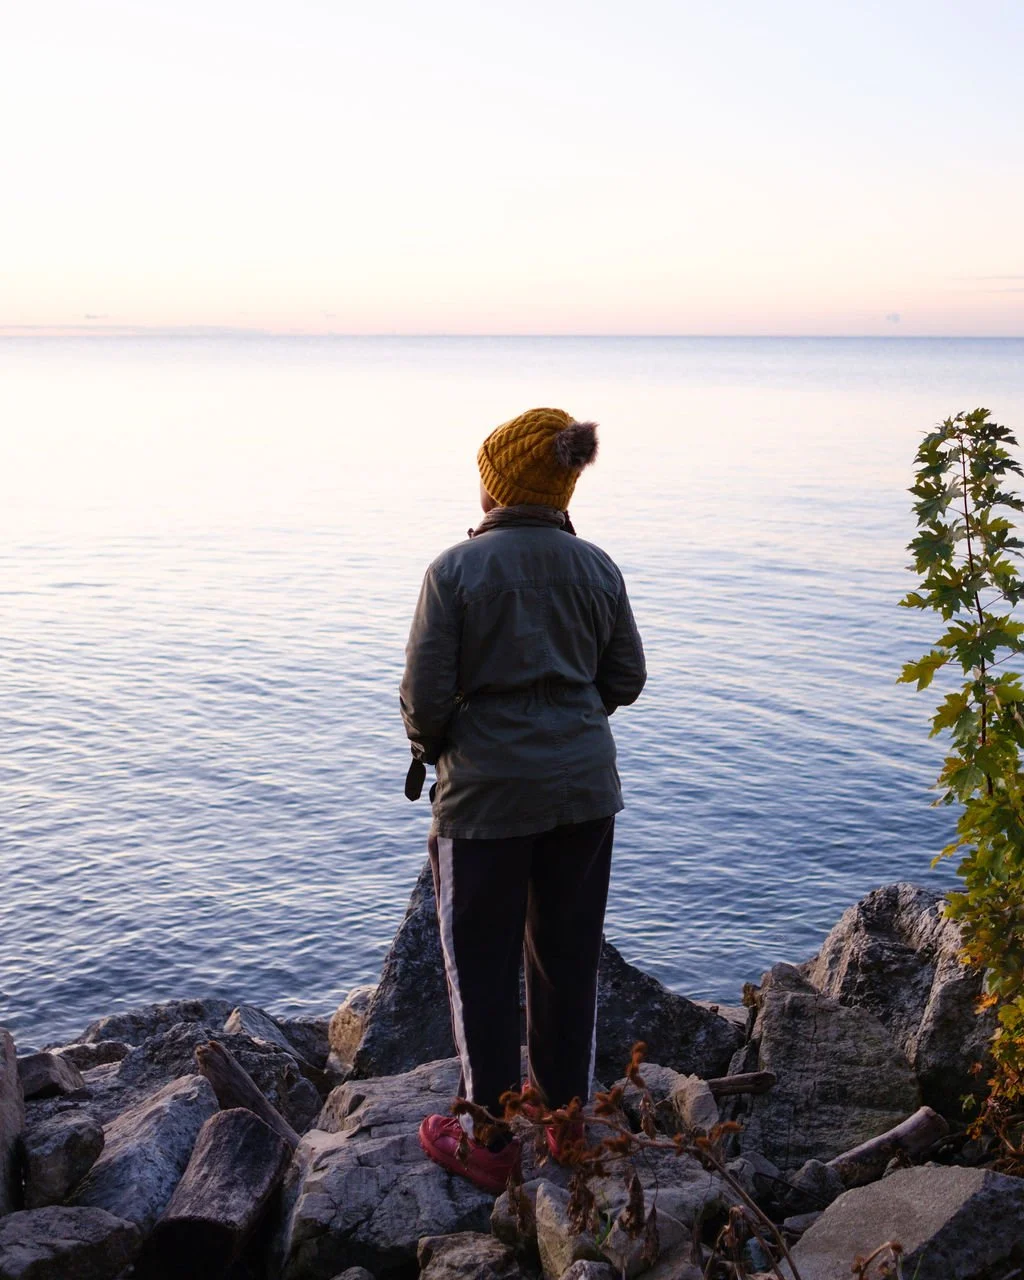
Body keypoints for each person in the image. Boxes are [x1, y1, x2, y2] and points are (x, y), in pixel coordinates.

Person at [399, 406, 647, 1193]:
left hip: (485, 801)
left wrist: (435, 747)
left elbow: (424, 698)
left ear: (498, 482)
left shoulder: (454, 572)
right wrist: (568, 722)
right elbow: (626, 679)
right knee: (568, 959)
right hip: (584, 793)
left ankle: (490, 1138)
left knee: (480, 968)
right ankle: (568, 1124)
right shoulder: (599, 567)